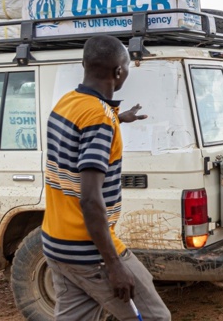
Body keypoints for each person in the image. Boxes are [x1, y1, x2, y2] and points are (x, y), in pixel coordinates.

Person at [41, 35, 172, 320]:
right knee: (155, 318)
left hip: (56, 244)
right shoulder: (99, 120)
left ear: (84, 64)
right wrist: (114, 265)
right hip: (90, 253)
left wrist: (116, 117)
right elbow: (90, 199)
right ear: (118, 72)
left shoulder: (68, 102)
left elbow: (86, 124)